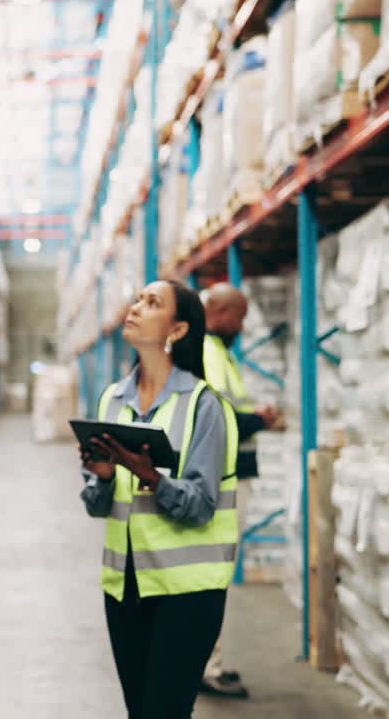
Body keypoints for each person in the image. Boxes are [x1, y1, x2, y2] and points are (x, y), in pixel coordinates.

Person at [80, 280, 239, 719]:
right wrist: (105, 478)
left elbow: (202, 504)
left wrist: (151, 478)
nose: (135, 308)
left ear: (178, 329)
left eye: (152, 304)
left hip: (187, 593)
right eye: (137, 299)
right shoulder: (113, 399)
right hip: (125, 585)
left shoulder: (205, 407)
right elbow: (96, 505)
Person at [199, 282, 282, 699]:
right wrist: (259, 421)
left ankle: (204, 662)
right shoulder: (209, 351)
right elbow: (215, 413)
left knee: (213, 574)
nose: (243, 325)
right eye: (240, 315)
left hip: (227, 475)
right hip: (223, 478)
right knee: (213, 574)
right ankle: (206, 666)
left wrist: (253, 415)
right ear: (220, 312)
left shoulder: (219, 353)